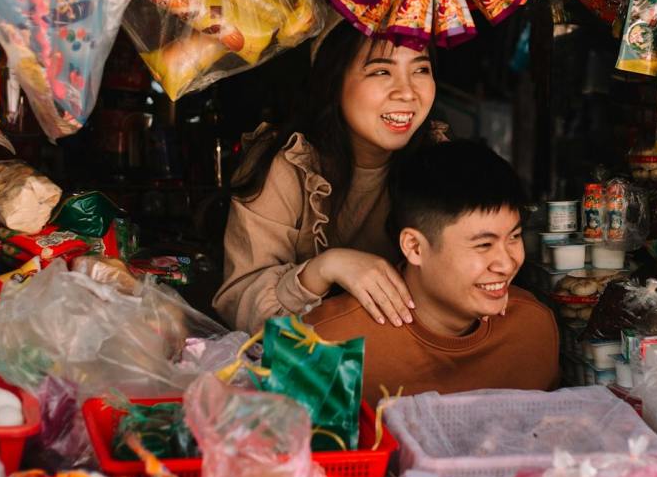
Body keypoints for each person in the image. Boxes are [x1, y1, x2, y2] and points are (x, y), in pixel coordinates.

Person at [216, 21, 440, 333]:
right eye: (381, 71)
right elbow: (241, 307)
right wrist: (326, 268)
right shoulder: (288, 164)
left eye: (421, 70)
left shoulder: (438, 158)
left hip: (405, 366)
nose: (407, 93)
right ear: (333, 82)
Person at [305, 140, 559, 406]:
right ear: (415, 247)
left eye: (514, 237)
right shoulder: (327, 342)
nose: (506, 264)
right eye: (484, 245)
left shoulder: (533, 328)